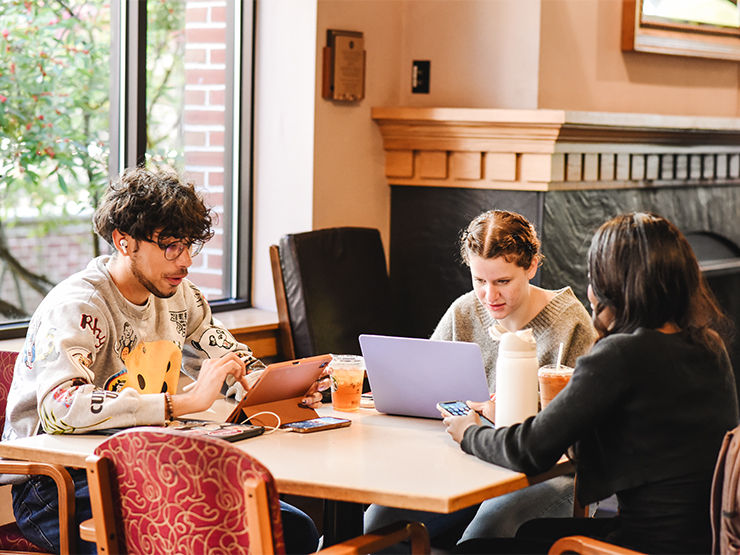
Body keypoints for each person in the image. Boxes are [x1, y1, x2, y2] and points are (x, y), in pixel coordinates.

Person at [2, 167, 323, 555]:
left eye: (189, 245)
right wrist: (183, 403)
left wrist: (265, 384)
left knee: (290, 529)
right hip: (57, 486)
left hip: (142, 465)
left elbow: (227, 354)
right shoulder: (79, 305)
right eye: (171, 245)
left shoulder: (180, 295)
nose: (185, 261)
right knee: (218, 536)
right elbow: (59, 407)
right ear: (123, 242)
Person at [444, 212, 739, 554]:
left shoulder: (622, 354)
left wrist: (469, 432)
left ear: (612, 286)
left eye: (593, 277)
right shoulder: (708, 346)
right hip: (703, 542)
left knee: (473, 550)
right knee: (530, 533)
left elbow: (528, 451)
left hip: (641, 546)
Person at [364, 209, 597, 545]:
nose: (489, 296)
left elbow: (581, 433)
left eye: (502, 281)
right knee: (379, 520)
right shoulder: (464, 311)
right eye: (479, 281)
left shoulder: (570, 323)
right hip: (469, 459)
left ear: (531, 267)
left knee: (488, 528)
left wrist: (508, 413)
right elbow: (426, 387)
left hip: (546, 471)